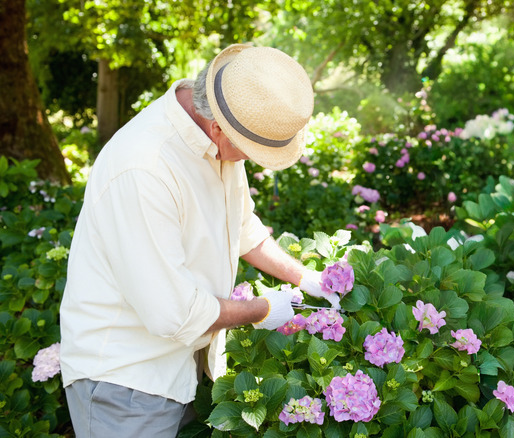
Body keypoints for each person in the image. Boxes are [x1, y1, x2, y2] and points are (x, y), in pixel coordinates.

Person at [59, 44, 339, 437]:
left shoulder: (221, 139)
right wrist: (263, 309)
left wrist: (305, 278)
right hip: (126, 381)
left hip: (183, 367)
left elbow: (242, 227)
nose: (248, 160)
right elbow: (174, 313)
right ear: (218, 128)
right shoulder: (145, 167)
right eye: (250, 152)